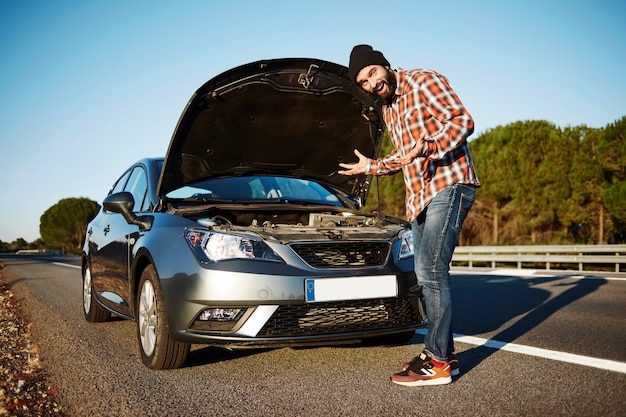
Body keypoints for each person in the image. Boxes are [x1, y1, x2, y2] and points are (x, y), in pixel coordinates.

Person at [339, 45, 480, 387]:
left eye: (372, 73)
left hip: (450, 184)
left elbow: (463, 121)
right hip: (419, 198)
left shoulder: (422, 82)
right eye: (363, 81)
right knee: (424, 272)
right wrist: (371, 166)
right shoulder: (389, 110)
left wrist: (429, 146)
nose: (371, 83)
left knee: (432, 270)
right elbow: (404, 156)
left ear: (384, 65)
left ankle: (437, 361)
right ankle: (446, 357)